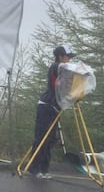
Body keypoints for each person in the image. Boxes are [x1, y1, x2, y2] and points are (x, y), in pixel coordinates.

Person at [28, 44, 76, 179]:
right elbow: (66, 68)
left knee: (50, 139)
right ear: (60, 56)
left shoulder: (64, 70)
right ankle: (34, 168)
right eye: (68, 56)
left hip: (55, 107)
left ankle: (44, 169)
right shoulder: (56, 66)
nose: (69, 60)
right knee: (42, 137)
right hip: (46, 106)